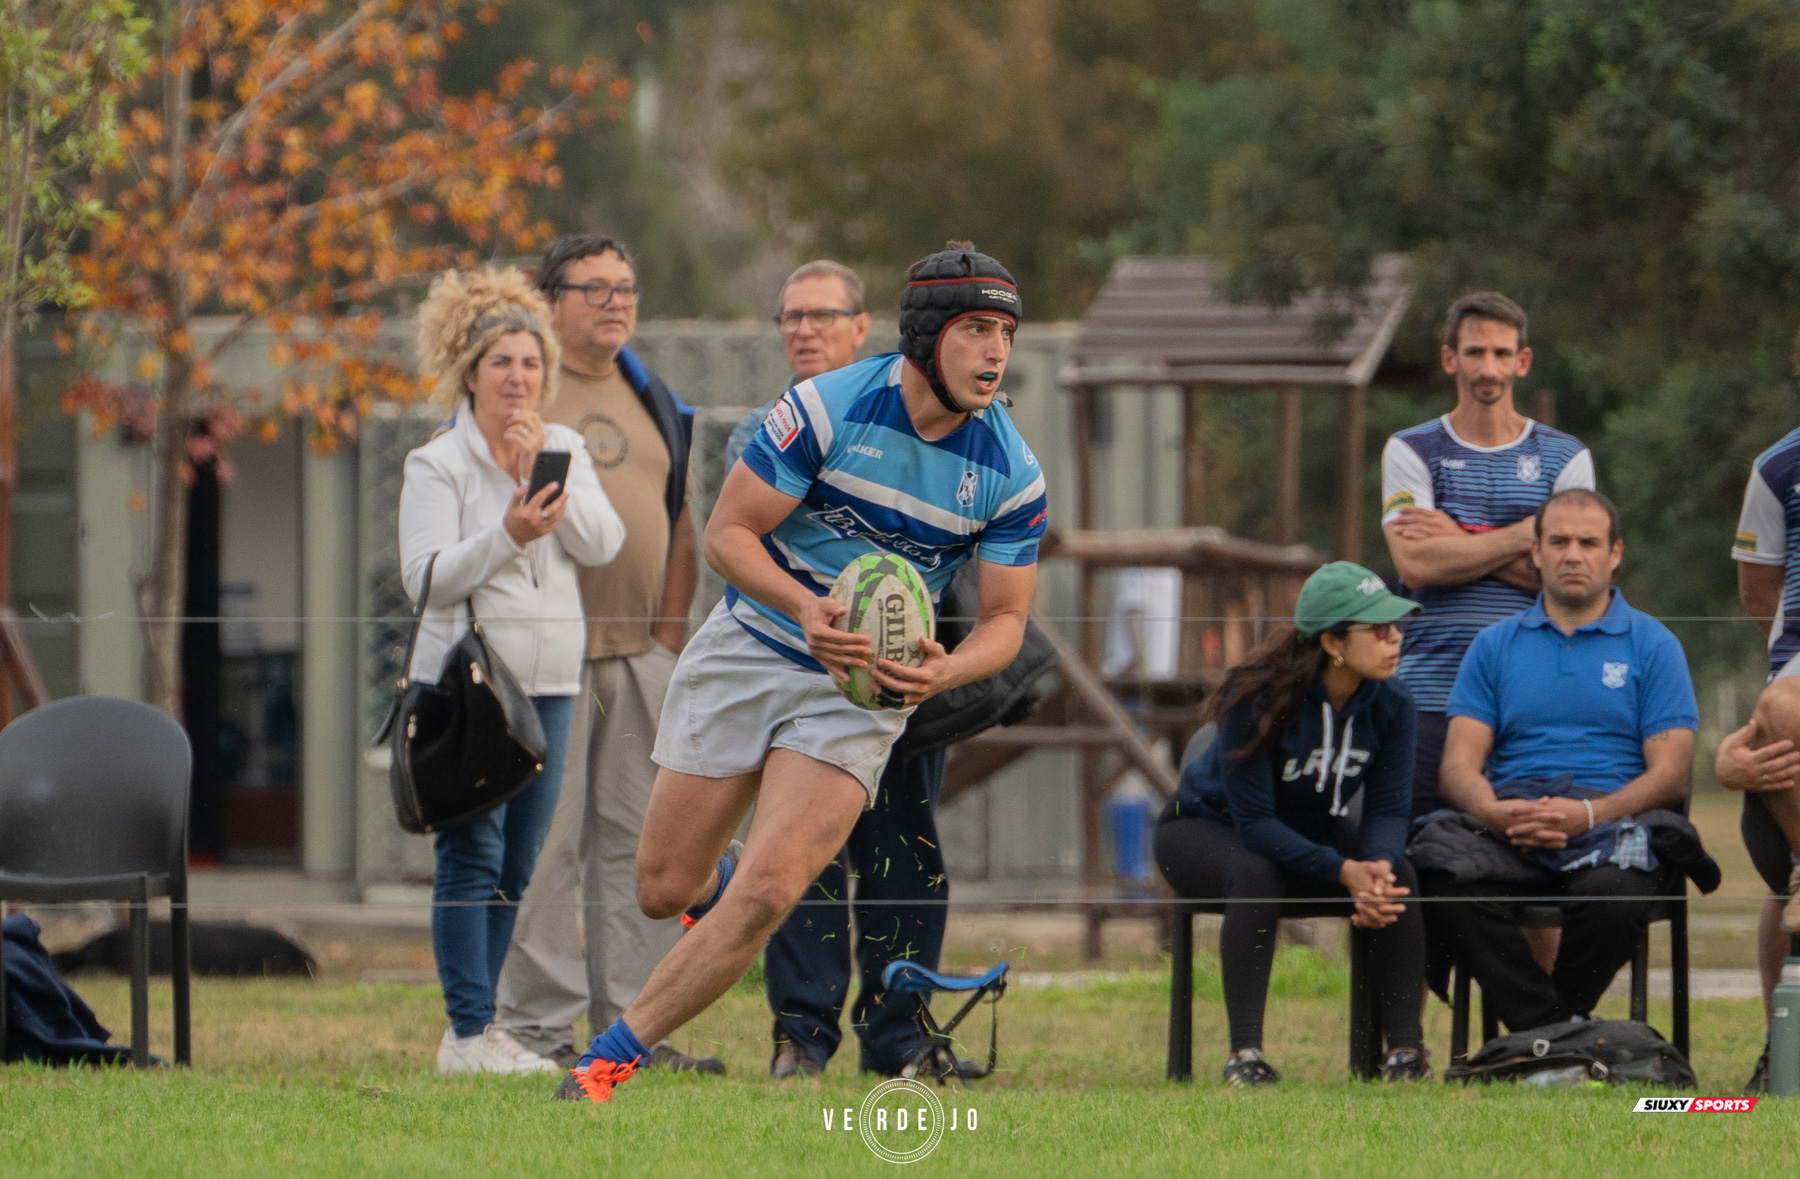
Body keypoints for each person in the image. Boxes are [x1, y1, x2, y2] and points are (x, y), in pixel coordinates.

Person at [554, 243, 1048, 1103]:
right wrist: (806, 608)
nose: (996, 350)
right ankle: (728, 877)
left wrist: (945, 670)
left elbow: (1006, 621)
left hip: (859, 694)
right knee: (664, 886)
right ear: (927, 334)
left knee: (772, 889)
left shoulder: (1010, 471)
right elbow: (727, 535)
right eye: (976, 329)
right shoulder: (826, 407)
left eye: (1006, 332)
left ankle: (606, 1063)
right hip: (752, 647)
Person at [727, 260, 969, 1079]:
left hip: (902, 682)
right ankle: (801, 1035)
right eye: (790, 316)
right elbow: (740, 541)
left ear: (863, 328)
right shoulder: (764, 428)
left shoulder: (942, 422)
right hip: (802, 680)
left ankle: (903, 1037)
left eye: (822, 314)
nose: (803, 329)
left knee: (905, 855)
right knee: (801, 860)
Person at [493, 235, 716, 1073]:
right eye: (595, 288)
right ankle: (538, 1030)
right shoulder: (527, 387)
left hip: (639, 658)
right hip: (544, 662)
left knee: (638, 848)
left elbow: (682, 519)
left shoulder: (654, 395)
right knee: (546, 847)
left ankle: (631, 1030)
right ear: (551, 300)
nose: (617, 301)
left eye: (626, 287)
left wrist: (668, 637)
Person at [398, 268, 626, 1074]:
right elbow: (425, 577)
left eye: (531, 363)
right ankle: (467, 1031)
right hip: (470, 689)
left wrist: (540, 480)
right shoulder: (438, 464)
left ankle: (479, 1029)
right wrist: (507, 534)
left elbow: (602, 543)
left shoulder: (562, 449)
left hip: (553, 682)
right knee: (472, 851)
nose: (518, 378)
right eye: (501, 362)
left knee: (520, 861)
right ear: (470, 372)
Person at [1422, 489, 1698, 1034]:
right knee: (1442, 878)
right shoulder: (1493, 645)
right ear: (1535, 552)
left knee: (1618, 899)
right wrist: (1496, 813)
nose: (1573, 555)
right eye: (1559, 542)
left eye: (1588, 543)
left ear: (1614, 553)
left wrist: (1588, 815)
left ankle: (1539, 1035)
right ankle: (1556, 1034)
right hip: (1513, 823)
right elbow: (1457, 767)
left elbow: (1671, 774)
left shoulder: (1654, 644)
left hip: (1612, 824)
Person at [1154, 562, 1429, 1086]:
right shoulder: (1257, 699)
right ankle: (1245, 1056)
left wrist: (1374, 868)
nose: (1395, 638)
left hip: (1306, 827)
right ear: (1333, 642)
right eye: (1378, 628)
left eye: (1396, 625)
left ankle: (1405, 1054)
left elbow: (1389, 810)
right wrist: (1343, 871)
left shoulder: (1394, 704)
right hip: (1203, 829)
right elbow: (1256, 825)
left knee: (1399, 877)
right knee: (1256, 872)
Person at [1381, 292, 1596, 820]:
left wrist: (1457, 536)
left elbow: (1573, 578)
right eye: (1475, 352)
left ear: (1522, 361)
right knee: (1421, 846)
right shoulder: (1410, 450)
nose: (1488, 368)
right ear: (1449, 358)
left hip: (1532, 693)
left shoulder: (1568, 457)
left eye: (1502, 353)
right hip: (1429, 691)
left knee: (1527, 843)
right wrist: (1527, 533)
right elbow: (1416, 565)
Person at [1711, 415, 1800, 1090]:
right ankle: (1785, 1052)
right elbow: (1758, 594)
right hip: (1792, 718)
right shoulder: (1778, 466)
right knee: (1780, 706)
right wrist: (1729, 762)